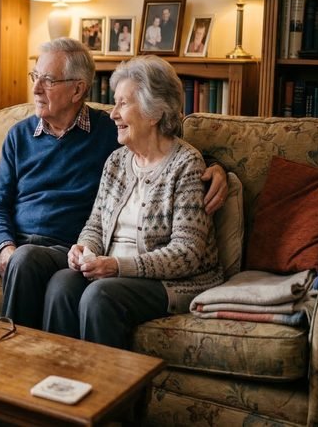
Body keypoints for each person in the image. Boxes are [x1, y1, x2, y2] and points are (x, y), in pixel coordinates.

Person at [0, 37, 228, 330]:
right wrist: (3, 246)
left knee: (28, 259)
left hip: (57, 246)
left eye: (47, 80)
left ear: (77, 89)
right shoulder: (19, 135)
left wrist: (216, 167)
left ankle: (13, 363)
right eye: (35, 76)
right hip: (16, 240)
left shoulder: (109, 132)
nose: (35, 88)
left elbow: (166, 145)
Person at [43, 55, 224, 349]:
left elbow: (187, 253)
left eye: (123, 104)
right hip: (112, 272)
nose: (113, 113)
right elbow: (95, 223)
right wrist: (84, 249)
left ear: (153, 113)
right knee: (62, 284)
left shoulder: (186, 164)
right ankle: (59, 382)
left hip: (170, 282)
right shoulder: (116, 161)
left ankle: (106, 391)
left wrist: (117, 266)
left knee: (100, 296)